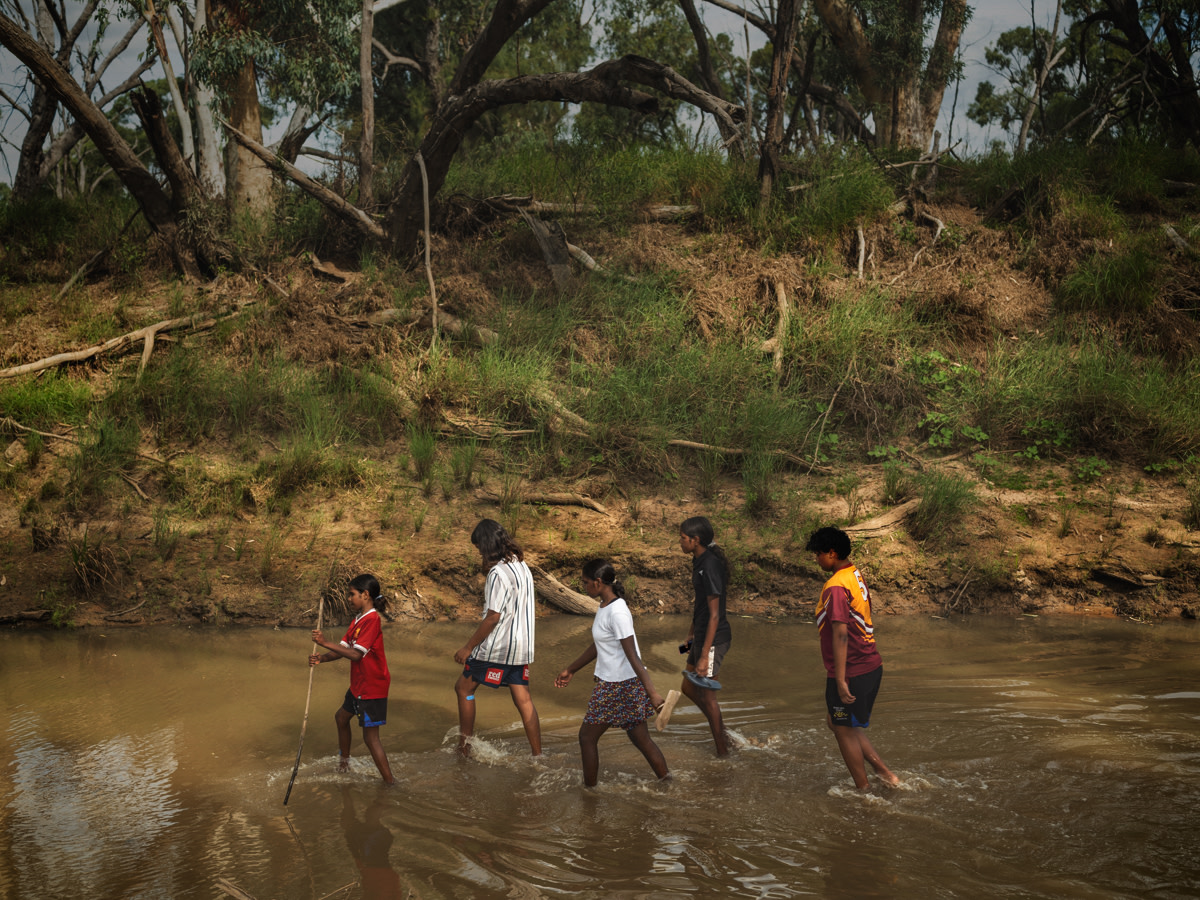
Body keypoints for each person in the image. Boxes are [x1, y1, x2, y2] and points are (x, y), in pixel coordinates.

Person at [554, 559, 670, 787]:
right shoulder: (605, 606)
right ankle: (667, 781)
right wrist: (572, 669)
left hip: (616, 686)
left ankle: (589, 792)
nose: (584, 587)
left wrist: (653, 694)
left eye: (586, 582)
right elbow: (600, 644)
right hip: (622, 684)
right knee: (640, 738)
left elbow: (632, 655)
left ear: (598, 582)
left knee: (587, 737)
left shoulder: (618, 612)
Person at [805, 526, 900, 791]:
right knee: (836, 721)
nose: (817, 559)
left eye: (819, 554)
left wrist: (840, 678)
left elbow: (841, 635)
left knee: (842, 726)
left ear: (832, 553)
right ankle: (885, 774)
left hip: (853, 670)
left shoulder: (836, 586)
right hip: (870, 664)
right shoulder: (853, 574)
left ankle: (863, 790)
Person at [453, 518, 541, 757]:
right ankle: (537, 754)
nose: (479, 552)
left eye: (479, 548)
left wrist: (468, 647)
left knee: (463, 689)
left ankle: (464, 748)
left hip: (498, 647)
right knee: (523, 699)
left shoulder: (497, 573)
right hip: (522, 647)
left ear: (485, 545)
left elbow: (492, 617)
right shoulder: (522, 566)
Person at [310, 573, 396, 785]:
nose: (349, 599)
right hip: (359, 684)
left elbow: (357, 654)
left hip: (372, 686)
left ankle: (390, 782)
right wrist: (322, 658)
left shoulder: (372, 620)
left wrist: (324, 642)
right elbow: (345, 649)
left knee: (370, 737)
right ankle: (344, 763)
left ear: (365, 595)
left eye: (352, 595)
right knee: (341, 717)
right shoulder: (357, 620)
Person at [674, 515, 731, 756]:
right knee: (688, 687)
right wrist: (690, 636)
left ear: (696, 540)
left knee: (708, 699)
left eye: (683, 538)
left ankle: (723, 752)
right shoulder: (697, 561)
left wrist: (705, 655)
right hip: (700, 634)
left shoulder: (709, 566)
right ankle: (723, 734)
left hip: (715, 638)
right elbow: (700, 605)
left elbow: (715, 615)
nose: (680, 542)